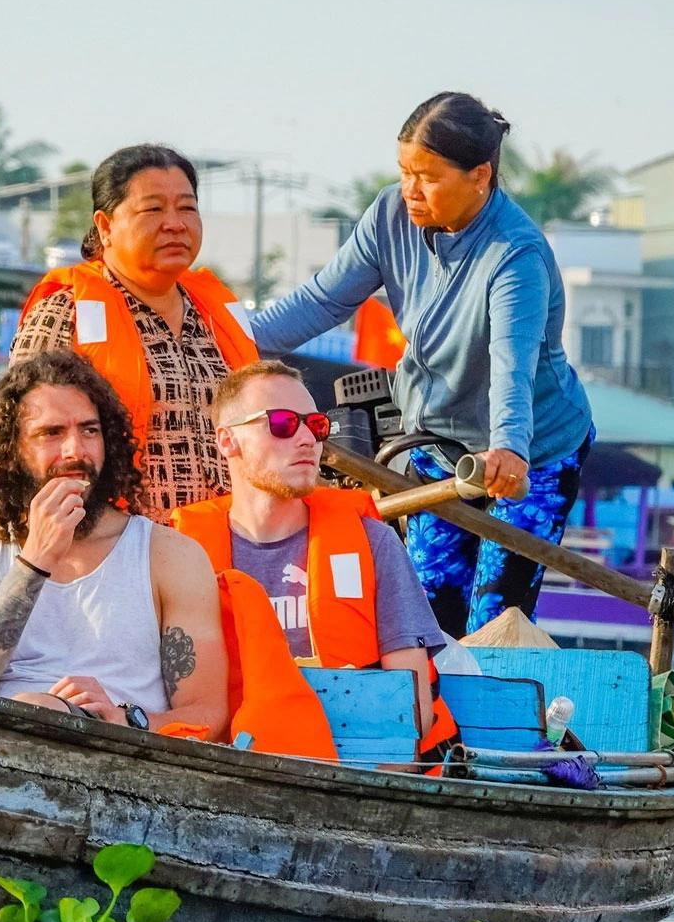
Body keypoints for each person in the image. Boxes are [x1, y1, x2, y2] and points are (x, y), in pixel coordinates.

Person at [249, 92, 595, 636]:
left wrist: (509, 448)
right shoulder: (390, 214)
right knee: (428, 615)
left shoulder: (515, 255)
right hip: (437, 447)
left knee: (494, 622)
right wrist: (229, 343)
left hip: (530, 455)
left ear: (480, 176)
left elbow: (512, 363)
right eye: (405, 171)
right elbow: (323, 300)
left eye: (428, 177)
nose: (410, 189)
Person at [0, 350, 229, 735]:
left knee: (39, 708)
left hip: (120, 752)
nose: (76, 450)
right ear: (11, 450)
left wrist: (125, 719)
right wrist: (35, 561)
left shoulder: (168, 555)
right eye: (52, 433)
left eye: (90, 431)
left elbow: (208, 713)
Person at [171, 361, 457, 757]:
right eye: (283, 423)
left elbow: (410, 717)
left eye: (316, 425)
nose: (307, 439)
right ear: (227, 440)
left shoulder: (374, 542)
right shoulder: (181, 555)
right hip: (225, 765)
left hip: (356, 770)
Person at [11, 144, 259, 521]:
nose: (175, 223)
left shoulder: (216, 312)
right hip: (113, 541)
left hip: (224, 540)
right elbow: (23, 437)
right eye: (153, 209)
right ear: (105, 226)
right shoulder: (65, 312)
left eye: (187, 208)